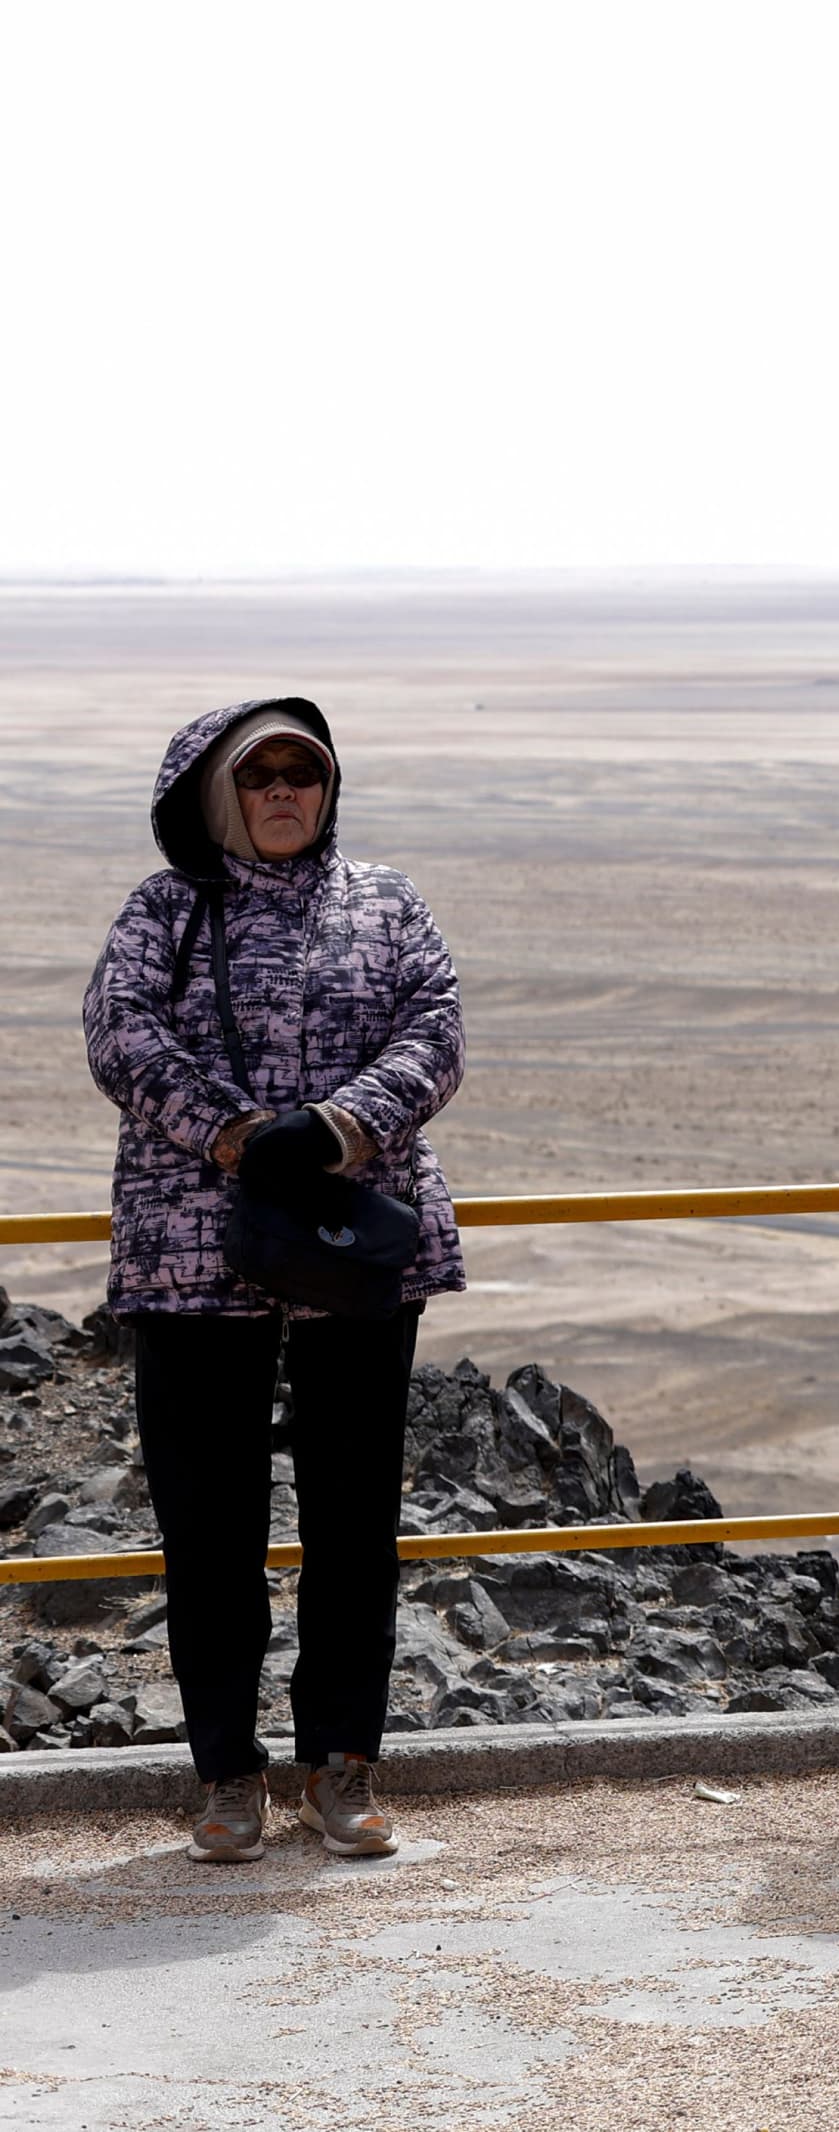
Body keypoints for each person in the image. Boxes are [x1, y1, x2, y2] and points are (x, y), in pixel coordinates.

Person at [82, 699, 466, 1863]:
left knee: (354, 1519)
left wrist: (340, 1125)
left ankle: (341, 1765)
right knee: (210, 1528)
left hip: (350, 1249)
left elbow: (436, 1033)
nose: (287, 790)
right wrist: (241, 1134)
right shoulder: (166, 910)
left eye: (306, 770)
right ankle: (227, 1775)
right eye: (262, 775)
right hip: (194, 1255)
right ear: (218, 794)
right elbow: (119, 1033)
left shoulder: (386, 901)